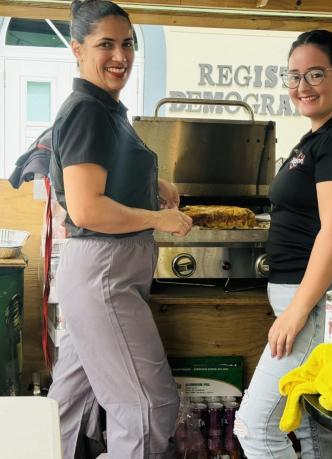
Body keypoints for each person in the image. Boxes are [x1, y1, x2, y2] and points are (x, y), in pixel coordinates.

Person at [47, 1, 192, 458]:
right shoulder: (88, 110)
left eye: (127, 44)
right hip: (105, 273)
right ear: (77, 49)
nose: (120, 56)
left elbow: (103, 179)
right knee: (148, 407)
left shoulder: (104, 108)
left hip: (99, 272)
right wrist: (156, 218)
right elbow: (88, 209)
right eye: (105, 44)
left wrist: (154, 184)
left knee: (69, 404)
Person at [234, 30, 332, 458]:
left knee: (255, 428)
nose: (302, 86)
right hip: (305, 302)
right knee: (317, 428)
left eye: (315, 74)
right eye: (294, 76)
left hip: (316, 303)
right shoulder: (318, 137)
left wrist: (296, 313)